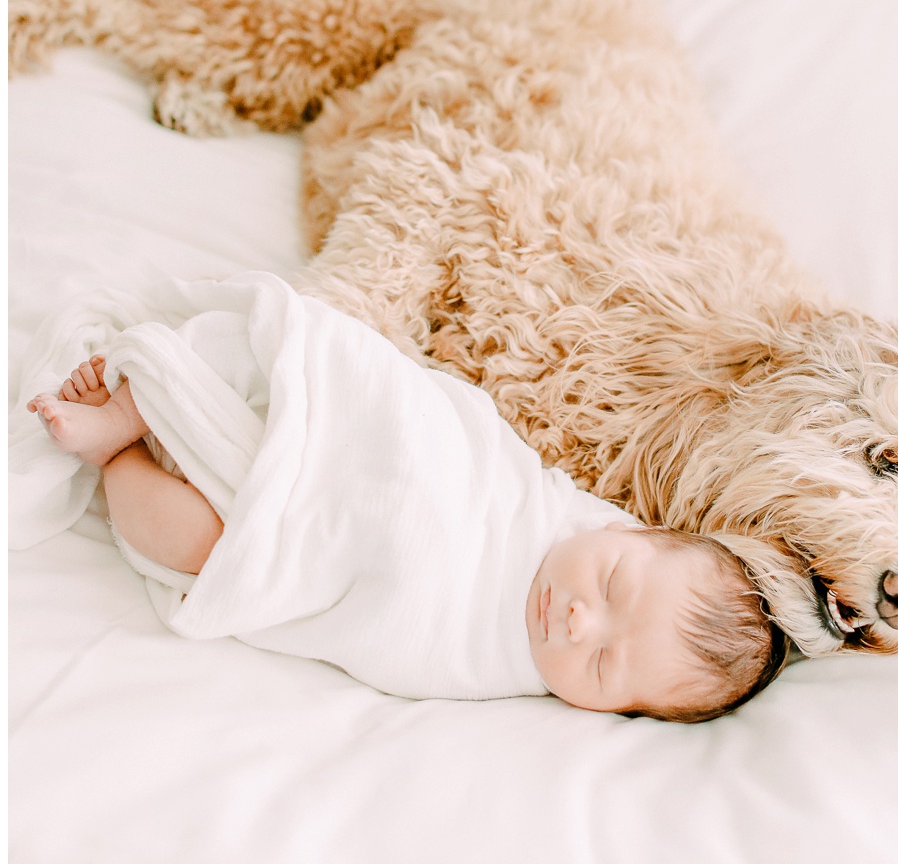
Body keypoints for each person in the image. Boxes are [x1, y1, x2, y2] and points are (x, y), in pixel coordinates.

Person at [23, 274, 788, 722]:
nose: (580, 618)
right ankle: (142, 400)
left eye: (600, 667)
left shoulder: (491, 670)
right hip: (351, 436)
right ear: (635, 529)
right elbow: (438, 426)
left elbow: (385, 627)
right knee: (282, 363)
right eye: (613, 582)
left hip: (293, 539)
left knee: (199, 548)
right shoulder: (555, 508)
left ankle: (118, 452)